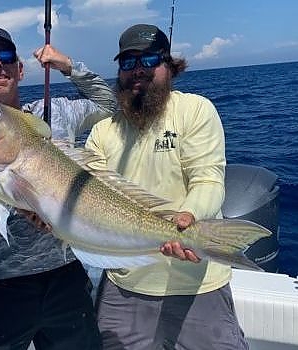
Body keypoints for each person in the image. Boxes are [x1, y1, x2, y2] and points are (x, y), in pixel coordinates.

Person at [85, 24, 249, 349]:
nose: (138, 71)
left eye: (148, 60)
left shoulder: (195, 110)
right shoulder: (101, 133)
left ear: (169, 66)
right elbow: (88, 201)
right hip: (126, 284)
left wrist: (187, 217)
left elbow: (208, 180)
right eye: (128, 63)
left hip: (198, 283)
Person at [0, 25, 116, 350]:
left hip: (66, 277)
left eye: (4, 56)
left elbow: (112, 105)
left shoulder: (55, 112)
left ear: (20, 68)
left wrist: (69, 66)